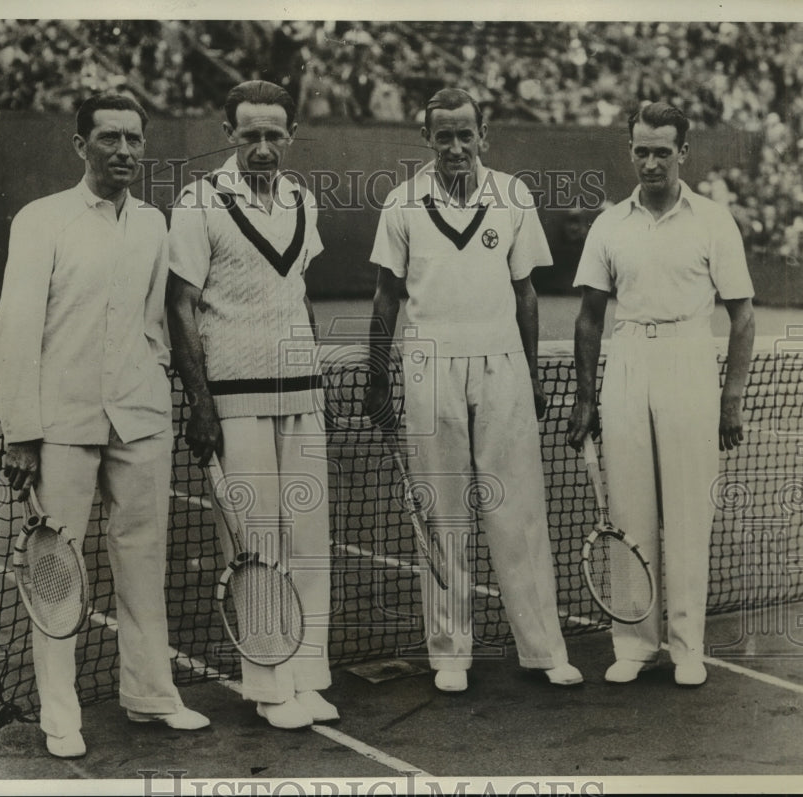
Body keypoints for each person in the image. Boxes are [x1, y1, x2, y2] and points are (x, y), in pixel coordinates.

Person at [0, 92, 210, 759]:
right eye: (109, 138)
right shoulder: (42, 219)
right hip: (61, 424)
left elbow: (154, 321)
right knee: (56, 568)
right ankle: (61, 711)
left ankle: (151, 694)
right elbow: (16, 328)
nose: (123, 151)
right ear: (79, 144)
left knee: (144, 561)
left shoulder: (152, 223)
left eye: (134, 139)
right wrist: (24, 432)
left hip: (140, 418)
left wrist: (155, 385)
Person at [363, 87, 583, 693]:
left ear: (483, 135)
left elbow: (526, 296)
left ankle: (543, 649)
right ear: (426, 139)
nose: (456, 146)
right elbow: (387, 296)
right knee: (442, 513)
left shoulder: (513, 195)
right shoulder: (402, 202)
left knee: (519, 509)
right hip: (429, 359)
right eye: (444, 136)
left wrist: (533, 377)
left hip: (502, 359)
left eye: (466, 134)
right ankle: (450, 650)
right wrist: (377, 374)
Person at [566, 101, 755, 687]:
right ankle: (634, 642)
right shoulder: (609, 223)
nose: (650, 162)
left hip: (689, 363)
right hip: (626, 363)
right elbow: (589, 319)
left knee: (688, 512)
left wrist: (731, 399)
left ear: (683, 153)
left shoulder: (714, 220)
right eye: (640, 150)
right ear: (631, 151)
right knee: (628, 510)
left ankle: (687, 647)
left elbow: (743, 319)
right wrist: (585, 397)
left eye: (661, 152)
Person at [167, 80, 337, 730]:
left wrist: (314, 375)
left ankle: (306, 671)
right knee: (255, 541)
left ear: (290, 135)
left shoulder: (301, 199)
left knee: (309, 539)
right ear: (228, 134)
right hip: (233, 402)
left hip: (300, 393)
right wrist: (200, 403)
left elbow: (298, 292)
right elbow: (179, 304)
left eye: (274, 134)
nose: (263, 147)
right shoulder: (197, 201)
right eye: (250, 135)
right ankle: (268, 683)